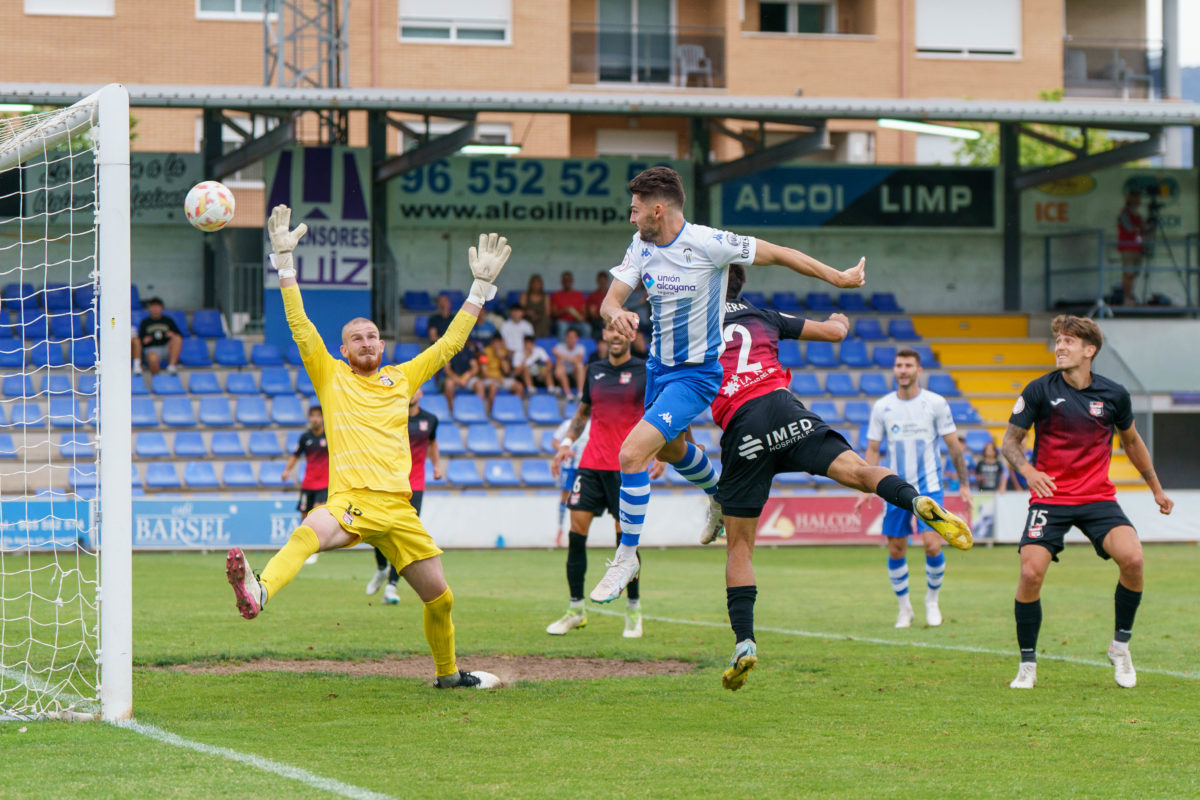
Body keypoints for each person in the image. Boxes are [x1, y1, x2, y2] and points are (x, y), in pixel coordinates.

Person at [225, 205, 512, 690]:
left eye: (373, 335)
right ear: (342, 349)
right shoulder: (330, 374)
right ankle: (260, 589)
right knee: (308, 531)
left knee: (440, 599)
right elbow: (300, 326)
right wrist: (285, 264)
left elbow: (447, 346)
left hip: (400, 510)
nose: (366, 341)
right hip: (352, 500)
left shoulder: (402, 377)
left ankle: (447, 676)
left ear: (382, 344)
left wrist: (479, 291)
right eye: (356, 337)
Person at [588, 165, 868, 604]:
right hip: (659, 369)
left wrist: (838, 277)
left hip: (695, 374)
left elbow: (779, 253)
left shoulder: (709, 243)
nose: (631, 218)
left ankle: (627, 556)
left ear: (657, 210)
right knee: (671, 449)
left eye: (635, 209)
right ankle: (717, 493)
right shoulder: (640, 246)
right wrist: (615, 313)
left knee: (631, 452)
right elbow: (610, 299)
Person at [707, 264, 972, 690]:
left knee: (739, 546)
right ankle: (914, 499)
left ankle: (744, 641)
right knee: (861, 472)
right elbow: (834, 334)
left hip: (742, 425)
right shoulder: (764, 317)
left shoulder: (691, 322)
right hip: (785, 408)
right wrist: (840, 319)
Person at [1001, 314, 1173, 690]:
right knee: (1030, 573)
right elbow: (1010, 443)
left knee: (1134, 558)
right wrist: (1029, 474)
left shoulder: (1114, 395)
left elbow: (1131, 443)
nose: (1059, 347)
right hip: (1050, 497)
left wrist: (1156, 488)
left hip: (1097, 497)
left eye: (1068, 342)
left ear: (1089, 350)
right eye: (1058, 341)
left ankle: (1120, 647)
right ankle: (1027, 664)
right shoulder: (1038, 391)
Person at [547, 322, 665, 639]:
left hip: (626, 467)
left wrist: (662, 451)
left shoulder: (646, 371)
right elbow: (583, 413)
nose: (614, 336)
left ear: (630, 336)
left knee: (624, 540)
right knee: (576, 532)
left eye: (620, 332)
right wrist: (567, 444)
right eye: (609, 331)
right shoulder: (594, 370)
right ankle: (575, 610)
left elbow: (662, 411)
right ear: (604, 336)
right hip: (591, 465)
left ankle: (634, 610)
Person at [855, 348, 973, 629]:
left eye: (908, 365)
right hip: (893, 488)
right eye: (899, 365)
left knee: (933, 545)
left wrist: (965, 484)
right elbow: (872, 448)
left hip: (929, 487)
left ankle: (932, 601)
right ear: (894, 370)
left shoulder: (935, 403)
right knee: (896, 549)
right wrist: (865, 488)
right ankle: (904, 608)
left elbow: (954, 447)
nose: (903, 370)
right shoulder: (882, 407)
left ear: (919, 370)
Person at [366, 389, 443, 605]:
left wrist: (436, 465)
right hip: (388, 484)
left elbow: (432, 443)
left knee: (402, 538)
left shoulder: (430, 420)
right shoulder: (391, 416)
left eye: (415, 388)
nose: (411, 393)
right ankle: (382, 568)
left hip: (414, 486)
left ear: (421, 393)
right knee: (377, 533)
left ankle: (391, 586)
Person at [280, 404, 329, 566]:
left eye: (317, 416)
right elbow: (295, 455)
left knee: (316, 517)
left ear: (322, 418)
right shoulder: (305, 437)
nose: (314, 419)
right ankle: (305, 549)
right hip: (308, 485)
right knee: (305, 519)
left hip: (324, 484)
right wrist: (287, 470)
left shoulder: (329, 436)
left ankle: (315, 551)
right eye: (312, 416)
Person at [551, 417, 588, 547]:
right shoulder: (567, 424)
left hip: (584, 468)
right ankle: (560, 529)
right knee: (565, 497)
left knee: (581, 500)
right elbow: (555, 442)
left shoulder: (591, 425)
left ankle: (581, 533)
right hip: (568, 467)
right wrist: (564, 449)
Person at [1116, 191, 1151, 306]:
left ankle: (1130, 297)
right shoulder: (1124, 213)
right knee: (1128, 273)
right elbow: (1130, 228)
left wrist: (1147, 227)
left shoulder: (1138, 215)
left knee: (1133, 274)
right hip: (1128, 248)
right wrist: (1141, 228)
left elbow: (1143, 229)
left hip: (1137, 248)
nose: (1138, 202)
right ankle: (1127, 298)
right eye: (1136, 199)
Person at [478, 332, 524, 412]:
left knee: (519, 386)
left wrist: (501, 358)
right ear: (491, 343)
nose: (497, 344)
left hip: (502, 379)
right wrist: (496, 379)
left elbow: (507, 372)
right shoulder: (484, 352)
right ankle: (492, 412)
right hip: (489, 379)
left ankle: (515, 410)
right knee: (493, 387)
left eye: (499, 342)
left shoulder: (504, 352)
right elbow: (484, 374)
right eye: (495, 342)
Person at [135, 297, 182, 375]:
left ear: (161, 308)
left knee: (177, 338)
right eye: (153, 307)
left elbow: (179, 335)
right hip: (151, 349)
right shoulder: (145, 322)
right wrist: (145, 340)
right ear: (149, 308)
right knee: (153, 358)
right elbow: (140, 340)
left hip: (166, 348)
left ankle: (171, 366)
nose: (155, 309)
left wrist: (172, 334)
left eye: (157, 307)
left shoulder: (168, 320)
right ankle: (157, 380)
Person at [440, 338, 485, 414]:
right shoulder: (449, 352)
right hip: (454, 378)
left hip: (467, 378)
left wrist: (467, 375)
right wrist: (458, 380)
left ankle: (478, 411)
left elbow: (475, 368)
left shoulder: (469, 352)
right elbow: (447, 370)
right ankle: (452, 411)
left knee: (479, 384)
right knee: (449, 384)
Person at [551, 270, 589, 339]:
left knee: (586, 327)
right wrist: (564, 310)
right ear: (562, 282)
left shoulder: (579, 295)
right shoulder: (556, 295)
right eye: (565, 280)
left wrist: (581, 318)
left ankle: (584, 348)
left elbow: (584, 313)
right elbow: (553, 314)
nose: (567, 282)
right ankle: (562, 348)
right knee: (562, 326)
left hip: (576, 322)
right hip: (562, 322)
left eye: (569, 280)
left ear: (572, 281)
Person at [552, 328, 588, 400]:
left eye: (573, 337)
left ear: (577, 339)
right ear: (566, 338)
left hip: (574, 374)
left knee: (580, 366)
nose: (571, 339)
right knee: (560, 368)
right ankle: (568, 394)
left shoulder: (580, 348)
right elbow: (558, 363)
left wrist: (561, 355)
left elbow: (577, 360)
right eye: (569, 337)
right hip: (562, 374)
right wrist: (562, 357)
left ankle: (580, 393)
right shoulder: (559, 347)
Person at [520, 273, 552, 338]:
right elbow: (520, 310)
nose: (536, 285)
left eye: (538, 284)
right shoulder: (525, 295)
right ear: (530, 284)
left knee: (545, 319)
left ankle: (538, 339)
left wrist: (537, 317)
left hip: (541, 318)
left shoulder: (545, 297)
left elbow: (547, 313)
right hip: (528, 317)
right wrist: (529, 313)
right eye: (534, 283)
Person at [586, 270, 611, 335]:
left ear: (607, 281)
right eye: (601, 281)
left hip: (611, 320)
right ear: (598, 281)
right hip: (598, 321)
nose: (602, 283)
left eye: (604, 281)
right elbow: (593, 315)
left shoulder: (612, 294)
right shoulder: (593, 295)